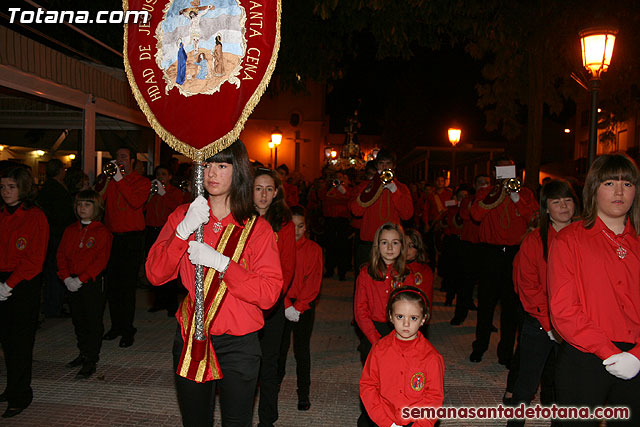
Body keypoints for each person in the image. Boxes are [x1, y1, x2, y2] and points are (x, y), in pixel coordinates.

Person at [145, 140, 283, 426]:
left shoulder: (256, 228)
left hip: (239, 343)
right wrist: (182, 232)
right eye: (206, 165)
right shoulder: (183, 216)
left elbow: (269, 294)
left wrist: (223, 265)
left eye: (222, 165)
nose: (212, 173)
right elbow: (155, 274)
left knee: (236, 421)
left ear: (240, 172)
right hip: (193, 335)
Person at [549, 154, 640, 426]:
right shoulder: (570, 240)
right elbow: (564, 309)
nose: (620, 192)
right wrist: (609, 352)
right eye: (610, 183)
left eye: (628, 183)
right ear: (593, 189)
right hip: (585, 355)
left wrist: (636, 356)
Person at [506, 179, 578, 426]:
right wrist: (550, 324)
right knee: (526, 383)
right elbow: (528, 287)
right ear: (546, 208)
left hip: (574, 324)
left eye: (568, 200)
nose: (564, 206)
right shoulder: (535, 241)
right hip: (540, 321)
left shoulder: (585, 237)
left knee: (563, 385)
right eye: (556, 202)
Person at [469, 158, 538, 366]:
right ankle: (479, 347)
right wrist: (496, 193)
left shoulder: (524, 193)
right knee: (486, 303)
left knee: (511, 306)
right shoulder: (485, 192)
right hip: (490, 253)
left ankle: (506, 353)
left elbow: (534, 218)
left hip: (515, 254)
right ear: (495, 173)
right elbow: (476, 214)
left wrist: (516, 197)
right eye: (502, 171)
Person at [354, 222, 416, 427]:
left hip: (400, 331)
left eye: (395, 243)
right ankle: (370, 417)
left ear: (402, 247)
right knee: (373, 380)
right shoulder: (366, 273)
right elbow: (360, 310)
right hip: (373, 330)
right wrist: (374, 339)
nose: (390, 248)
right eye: (384, 243)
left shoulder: (408, 275)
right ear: (377, 246)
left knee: (397, 379)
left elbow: (415, 309)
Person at [0, 166, 49, 418]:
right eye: (3, 187)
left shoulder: (35, 216)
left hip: (23, 283)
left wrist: (9, 284)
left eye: (11, 186)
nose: (6, 192)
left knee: (20, 342)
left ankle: (21, 393)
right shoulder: (1, 214)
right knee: (6, 340)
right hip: (2, 280)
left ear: (23, 188)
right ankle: (11, 386)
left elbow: (33, 259)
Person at [360, 286, 444, 427]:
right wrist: (385, 422)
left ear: (423, 320)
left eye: (413, 318)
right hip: (383, 417)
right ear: (391, 317)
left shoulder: (432, 357)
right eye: (400, 316)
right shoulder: (379, 349)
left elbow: (433, 397)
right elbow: (368, 386)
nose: (406, 323)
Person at [253, 168, 296, 427]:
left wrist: (269, 300)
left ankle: (267, 419)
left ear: (276, 193)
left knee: (269, 363)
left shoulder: (284, 222)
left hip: (272, 303)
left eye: (269, 189)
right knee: (244, 362)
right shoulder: (240, 217)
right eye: (259, 188)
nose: (264, 195)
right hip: (244, 302)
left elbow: (288, 267)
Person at [57, 190, 113, 380]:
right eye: (80, 204)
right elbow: (61, 256)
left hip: (91, 282)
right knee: (78, 320)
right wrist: (65, 278)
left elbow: (100, 261)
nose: (82, 208)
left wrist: (81, 279)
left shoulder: (102, 231)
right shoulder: (70, 230)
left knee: (92, 321)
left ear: (96, 208)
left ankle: (91, 358)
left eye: (87, 204)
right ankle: (83, 352)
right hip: (71, 282)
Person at [101, 147, 151, 348]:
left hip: (131, 238)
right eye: (117, 156)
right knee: (113, 285)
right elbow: (99, 200)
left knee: (127, 286)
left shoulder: (142, 182)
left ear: (131, 161)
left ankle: (128, 329)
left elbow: (135, 202)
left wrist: (120, 179)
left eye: (122, 157)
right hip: (111, 237)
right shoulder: (112, 181)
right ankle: (116, 326)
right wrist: (106, 181)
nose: (118, 160)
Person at [278, 206, 323, 411]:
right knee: (279, 348)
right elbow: (275, 277)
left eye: (301, 226)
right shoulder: (277, 245)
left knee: (302, 350)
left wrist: (299, 306)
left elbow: (314, 281)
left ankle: (303, 391)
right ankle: (274, 385)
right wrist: (287, 305)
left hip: (304, 304)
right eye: (292, 226)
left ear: (306, 227)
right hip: (281, 302)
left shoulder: (314, 249)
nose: (296, 230)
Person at [350, 149, 413, 273]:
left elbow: (407, 214)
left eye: (388, 164)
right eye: (381, 164)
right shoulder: (365, 185)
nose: (384, 167)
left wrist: (395, 191)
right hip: (369, 242)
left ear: (394, 166)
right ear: (377, 165)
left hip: (391, 245)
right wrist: (372, 188)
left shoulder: (401, 188)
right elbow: (356, 211)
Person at [37, 159, 76, 318]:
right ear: (60, 170)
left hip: (56, 234)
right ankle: (53, 306)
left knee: (55, 270)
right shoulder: (53, 188)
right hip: (57, 234)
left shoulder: (52, 187)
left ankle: (54, 304)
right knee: (55, 270)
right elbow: (59, 214)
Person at [145, 165, 184, 316]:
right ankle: (158, 301)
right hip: (152, 230)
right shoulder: (152, 191)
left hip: (167, 233)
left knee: (169, 267)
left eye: (163, 174)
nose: (160, 177)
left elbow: (177, 208)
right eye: (158, 174)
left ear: (169, 177)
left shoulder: (175, 192)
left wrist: (163, 194)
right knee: (154, 265)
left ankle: (171, 304)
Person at [450, 174, 489, 325]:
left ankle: (485, 322)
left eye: (486, 183)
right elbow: (465, 214)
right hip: (469, 245)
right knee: (465, 283)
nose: (483, 185)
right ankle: (460, 314)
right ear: (475, 184)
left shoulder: (492, 199)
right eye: (480, 183)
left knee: (485, 288)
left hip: (485, 245)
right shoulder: (468, 199)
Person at [320, 171, 353, 280]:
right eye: (335, 177)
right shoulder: (329, 188)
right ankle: (329, 269)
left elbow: (348, 198)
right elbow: (322, 197)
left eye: (340, 177)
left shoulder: (346, 189)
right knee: (329, 247)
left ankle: (341, 271)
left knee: (341, 248)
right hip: (330, 220)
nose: (337, 179)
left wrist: (340, 188)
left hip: (341, 220)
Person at [404, 228, 434, 314]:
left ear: (418, 248)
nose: (406, 250)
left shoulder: (425, 271)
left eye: (411, 246)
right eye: (403, 245)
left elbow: (426, 298)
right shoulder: (393, 267)